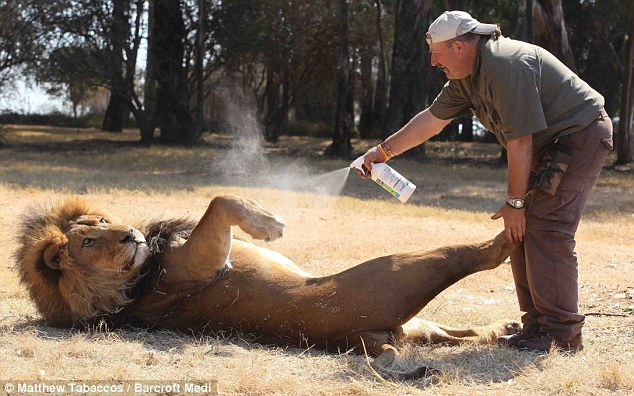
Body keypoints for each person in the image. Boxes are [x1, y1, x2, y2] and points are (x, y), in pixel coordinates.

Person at [357, 10, 613, 353]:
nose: (433, 62)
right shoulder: (466, 77)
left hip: (579, 136)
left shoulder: (508, 66)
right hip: (550, 145)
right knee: (520, 232)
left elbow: (521, 141)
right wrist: (383, 152)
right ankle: (536, 327)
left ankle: (562, 334)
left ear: (460, 47)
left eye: (436, 52)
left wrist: (516, 203)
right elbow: (432, 120)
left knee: (548, 227)